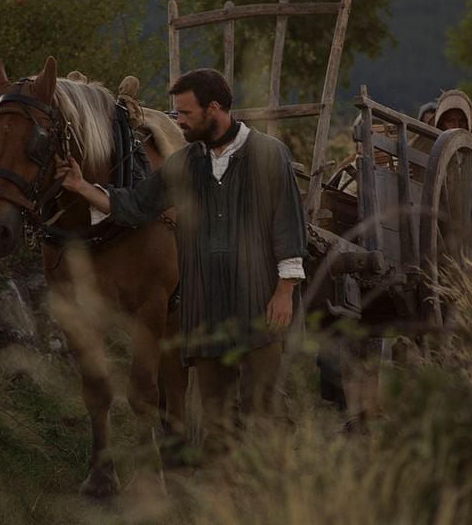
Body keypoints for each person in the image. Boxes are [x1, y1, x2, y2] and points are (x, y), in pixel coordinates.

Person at [56, 68, 307, 452]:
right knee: (216, 416)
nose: (178, 121)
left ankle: (288, 489)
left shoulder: (269, 154)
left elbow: (288, 226)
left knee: (265, 404)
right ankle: (229, 496)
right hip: (204, 308)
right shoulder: (185, 163)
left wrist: (284, 292)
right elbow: (136, 205)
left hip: (259, 302)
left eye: (186, 114)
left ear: (215, 108)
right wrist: (80, 187)